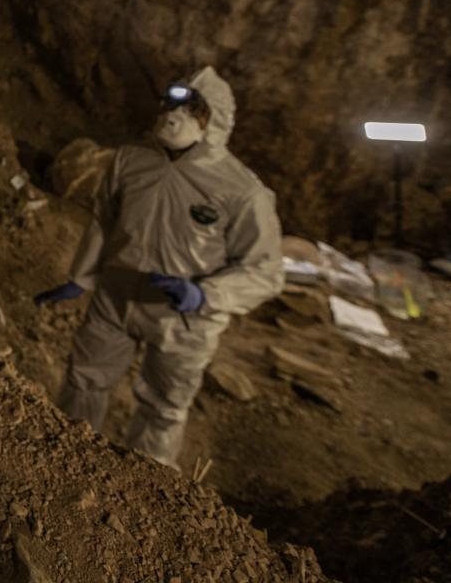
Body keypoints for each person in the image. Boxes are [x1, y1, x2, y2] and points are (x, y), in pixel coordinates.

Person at [33, 67, 282, 467]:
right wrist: (81, 277)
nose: (174, 116)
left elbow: (265, 270)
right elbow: (104, 220)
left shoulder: (242, 191)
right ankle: (66, 469)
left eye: (192, 108)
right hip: (115, 298)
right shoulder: (130, 160)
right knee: (84, 382)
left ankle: (147, 493)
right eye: (172, 104)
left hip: (183, 320)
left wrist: (206, 294)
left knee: (162, 409)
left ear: (214, 119)